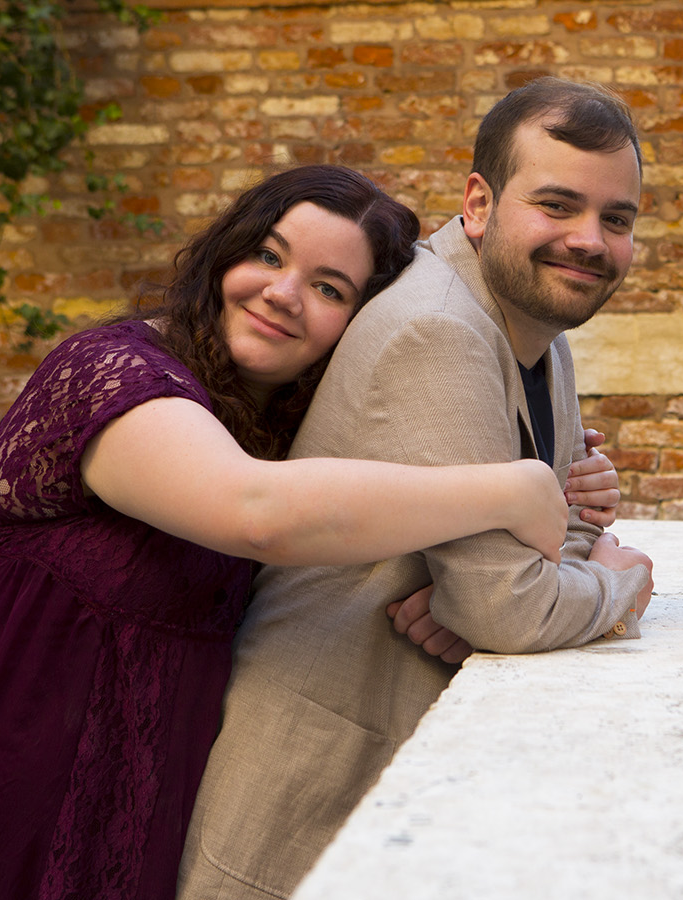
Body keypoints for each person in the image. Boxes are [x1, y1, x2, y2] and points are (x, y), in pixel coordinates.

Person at [0, 165, 620, 900]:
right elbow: (256, 513)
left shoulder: (273, 423)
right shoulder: (117, 373)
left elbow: (358, 500)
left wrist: (466, 575)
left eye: (329, 289)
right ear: (224, 254)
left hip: (118, 777)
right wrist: (511, 488)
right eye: (268, 255)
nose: (283, 295)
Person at [178, 78, 656, 899]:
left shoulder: (537, 324)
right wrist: (619, 585)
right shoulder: (442, 330)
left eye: (616, 219)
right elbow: (509, 605)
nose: (588, 240)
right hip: (311, 784)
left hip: (391, 785)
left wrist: (520, 579)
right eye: (557, 205)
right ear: (479, 202)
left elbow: (555, 533)